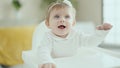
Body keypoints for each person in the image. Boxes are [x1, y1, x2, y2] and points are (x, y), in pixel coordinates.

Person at [32, 0, 112, 68]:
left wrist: (100, 33)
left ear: (73, 23)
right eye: (57, 16)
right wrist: (46, 61)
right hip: (56, 64)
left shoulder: (76, 35)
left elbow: (90, 42)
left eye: (67, 17)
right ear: (48, 24)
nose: (62, 20)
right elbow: (43, 50)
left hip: (72, 64)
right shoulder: (48, 37)